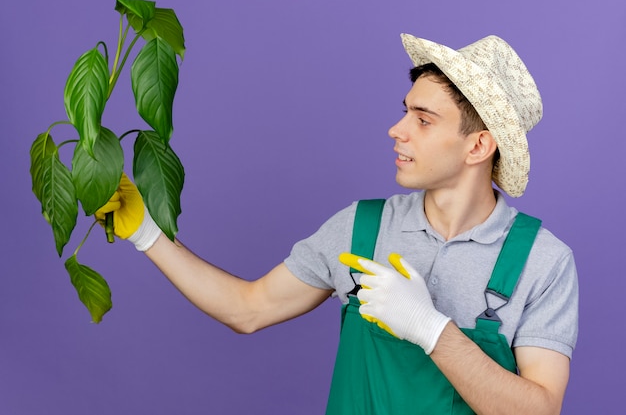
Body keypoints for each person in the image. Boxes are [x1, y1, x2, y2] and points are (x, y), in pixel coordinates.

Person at [97, 34, 578, 414]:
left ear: (478, 147)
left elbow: (538, 410)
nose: (397, 128)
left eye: (424, 119)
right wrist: (146, 233)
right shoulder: (359, 229)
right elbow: (248, 309)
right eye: (404, 110)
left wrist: (429, 327)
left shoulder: (541, 261)